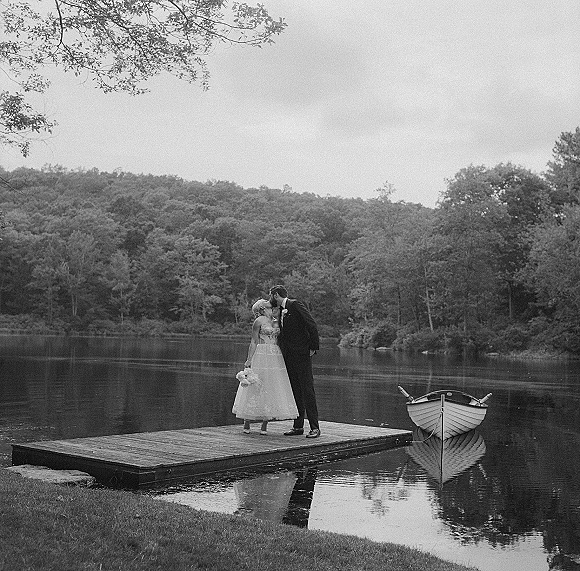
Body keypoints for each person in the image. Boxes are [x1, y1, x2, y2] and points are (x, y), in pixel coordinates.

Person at [232, 298, 298, 434]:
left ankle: (264, 424)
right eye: (268, 306)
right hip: (261, 353)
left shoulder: (276, 321)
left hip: (275, 355)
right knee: (255, 384)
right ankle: (247, 421)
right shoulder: (259, 321)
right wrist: (249, 359)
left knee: (270, 385)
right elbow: (254, 341)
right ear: (262, 308)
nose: (271, 306)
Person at [269, 285, 321, 438]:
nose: (270, 299)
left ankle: (315, 428)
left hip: (302, 354)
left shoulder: (295, 305)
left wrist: (313, 347)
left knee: (307, 389)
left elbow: (311, 324)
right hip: (289, 355)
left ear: (276, 295)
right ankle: (298, 426)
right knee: (295, 391)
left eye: (271, 296)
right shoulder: (280, 311)